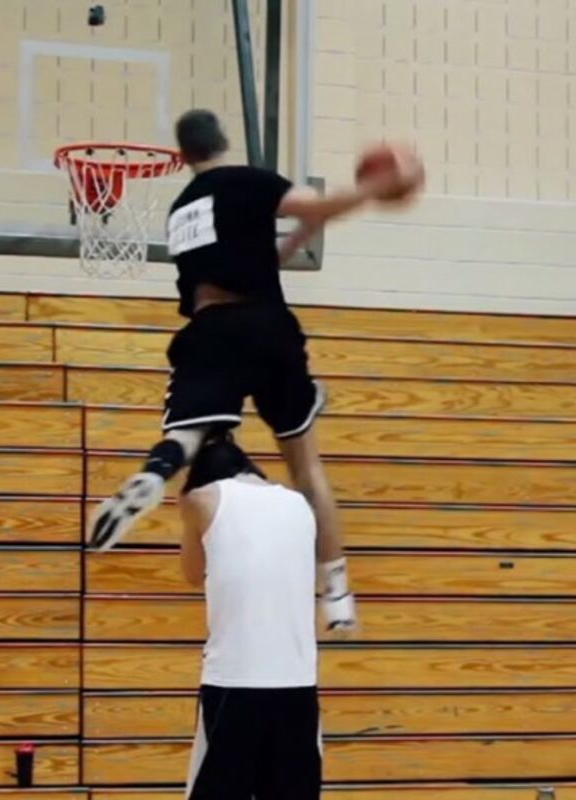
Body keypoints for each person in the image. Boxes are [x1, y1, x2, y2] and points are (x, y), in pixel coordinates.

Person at [89, 108, 423, 631]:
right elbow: (319, 206)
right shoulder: (246, 180)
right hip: (267, 327)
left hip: (209, 331)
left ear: (183, 155)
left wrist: (294, 240)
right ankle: (336, 594)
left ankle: (156, 471)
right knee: (306, 467)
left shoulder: (181, 211)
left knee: (192, 434)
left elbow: (250, 258)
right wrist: (374, 188)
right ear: (224, 141)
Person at [178, 433, 322, 799]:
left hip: (233, 684)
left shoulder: (200, 498)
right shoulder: (300, 504)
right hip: (298, 686)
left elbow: (192, 574)